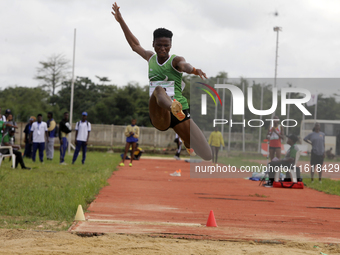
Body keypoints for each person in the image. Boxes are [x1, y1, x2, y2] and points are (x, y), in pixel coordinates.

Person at [111, 3, 212, 161]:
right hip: (159, 111)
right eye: (159, 45)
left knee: (207, 154)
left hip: (181, 110)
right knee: (159, 89)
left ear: (170, 45)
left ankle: (185, 137)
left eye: (166, 45)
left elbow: (184, 65)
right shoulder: (150, 58)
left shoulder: (175, 60)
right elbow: (134, 45)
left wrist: (193, 70)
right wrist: (120, 20)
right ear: (153, 44)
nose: (162, 49)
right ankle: (172, 106)